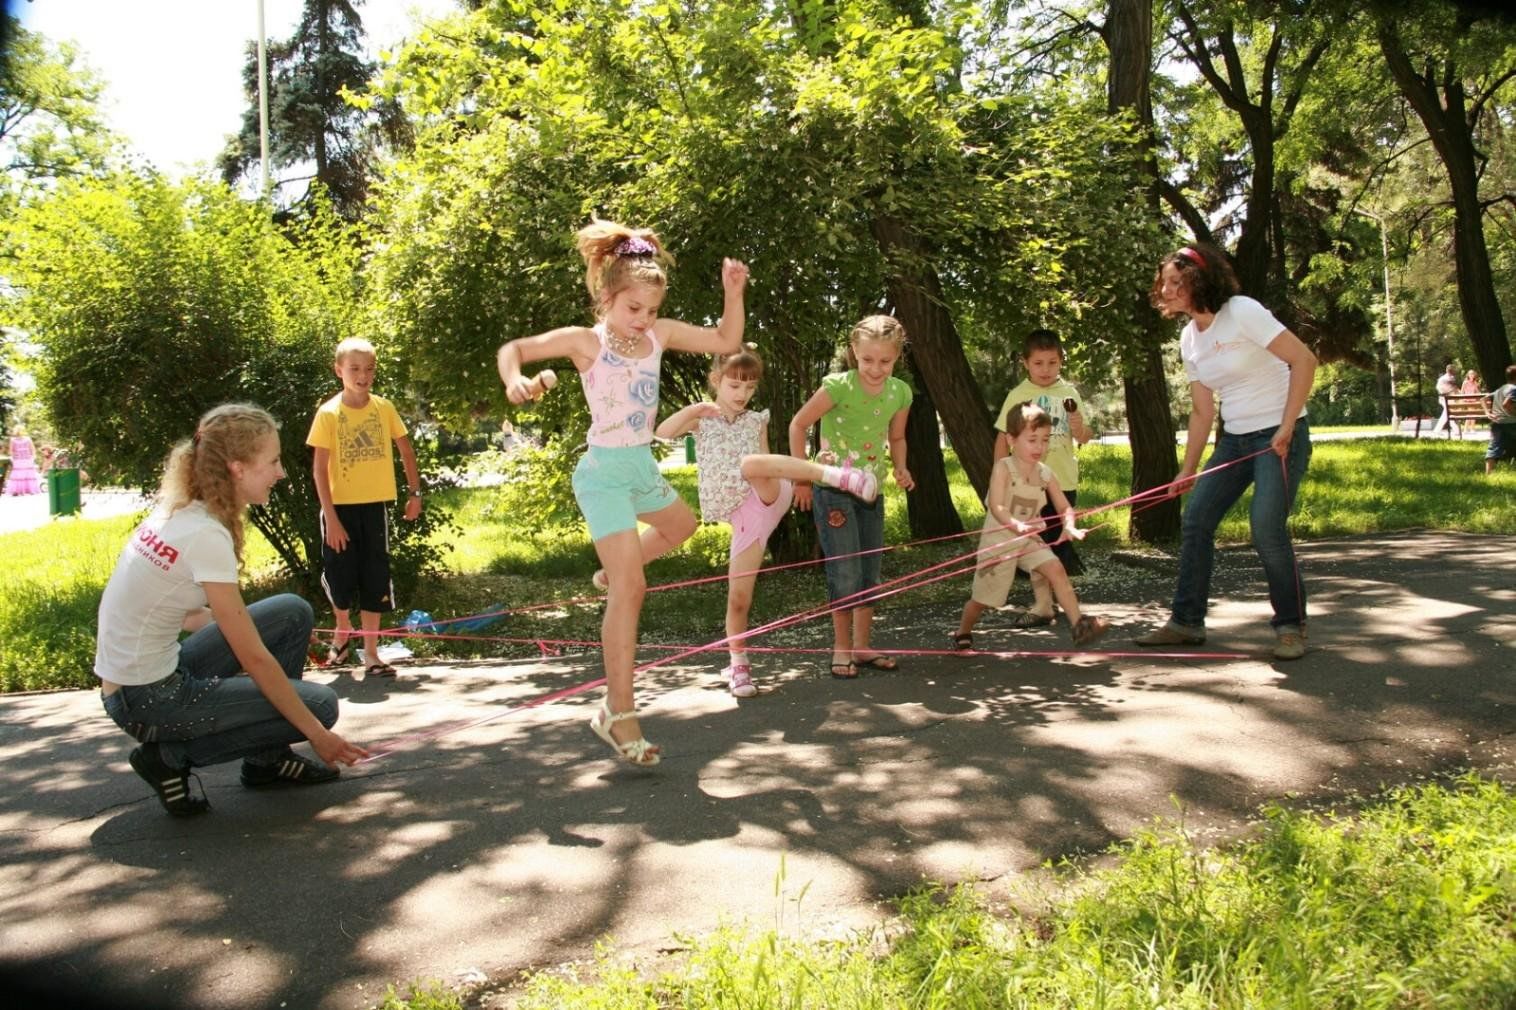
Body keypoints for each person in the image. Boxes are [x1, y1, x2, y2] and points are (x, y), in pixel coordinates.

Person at [496, 218, 750, 765]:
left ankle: (615, 569)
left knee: (682, 526)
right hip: (604, 473)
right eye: (634, 309)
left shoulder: (658, 336)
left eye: (652, 310)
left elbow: (727, 340)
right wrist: (514, 378)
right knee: (632, 591)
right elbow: (513, 348)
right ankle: (619, 711)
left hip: (639, 464)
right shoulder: (585, 343)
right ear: (607, 296)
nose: (644, 320)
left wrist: (734, 293)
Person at [96, 404, 369, 817]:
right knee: (320, 708)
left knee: (292, 613)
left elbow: (186, 616)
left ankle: (267, 761)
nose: (281, 473)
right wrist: (317, 735)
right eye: (273, 461)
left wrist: (254, 635)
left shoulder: (182, 510)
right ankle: (168, 758)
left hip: (135, 682)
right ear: (238, 468)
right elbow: (253, 657)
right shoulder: (205, 534)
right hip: (147, 698)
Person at [655, 346, 879, 698]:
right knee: (739, 598)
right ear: (716, 381)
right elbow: (663, 433)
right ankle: (738, 665)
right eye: (734, 387)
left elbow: (769, 462)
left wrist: (802, 480)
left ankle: (838, 477)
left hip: (770, 494)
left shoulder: (756, 419)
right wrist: (696, 408)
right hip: (747, 517)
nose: (742, 395)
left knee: (751, 464)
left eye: (749, 388)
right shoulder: (703, 419)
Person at [1136, 244, 1317, 661]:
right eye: (1163, 282)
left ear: (1199, 280)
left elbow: (1304, 360)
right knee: (1197, 519)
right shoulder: (1189, 338)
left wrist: (1288, 425)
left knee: (1265, 530)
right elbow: (1202, 412)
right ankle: (1185, 623)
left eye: (1174, 282)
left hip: (1279, 435)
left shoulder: (1242, 311)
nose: (1165, 289)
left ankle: (1291, 627)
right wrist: (1187, 470)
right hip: (1235, 440)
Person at [789, 315, 916, 679]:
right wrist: (802, 477)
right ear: (853, 354)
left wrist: (901, 467)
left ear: (896, 359)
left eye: (885, 361)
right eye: (867, 360)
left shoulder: (900, 393)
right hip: (833, 491)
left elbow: (898, 438)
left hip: (871, 493)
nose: (876, 369)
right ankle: (841, 648)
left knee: (869, 573)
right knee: (845, 571)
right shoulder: (838, 387)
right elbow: (798, 424)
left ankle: (861, 647)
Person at [306, 336, 423, 678]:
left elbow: (406, 451)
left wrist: (414, 494)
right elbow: (318, 469)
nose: (363, 375)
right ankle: (343, 628)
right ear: (339, 370)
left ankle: (371, 653)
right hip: (339, 509)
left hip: (374, 508)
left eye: (369, 368)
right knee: (341, 578)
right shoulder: (329, 414)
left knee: (375, 576)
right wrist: (331, 517)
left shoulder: (383, 408)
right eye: (355, 368)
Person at [953, 402, 1106, 650]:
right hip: (999, 541)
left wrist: (1069, 526)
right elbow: (997, 507)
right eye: (1032, 440)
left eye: (1045, 440)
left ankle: (1079, 625)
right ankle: (963, 632)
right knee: (984, 600)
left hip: (1029, 540)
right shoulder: (1003, 468)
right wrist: (1017, 525)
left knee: (1056, 568)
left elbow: (1064, 507)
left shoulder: (1046, 474)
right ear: (1012, 439)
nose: (1040, 447)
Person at [990, 329, 1094, 628]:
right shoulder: (1018, 395)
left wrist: (1078, 428)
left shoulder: (1069, 394)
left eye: (1052, 362)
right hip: (1027, 482)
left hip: (1063, 479)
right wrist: (1001, 475)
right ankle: (1044, 604)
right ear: (1026, 363)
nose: (1045, 370)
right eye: (1038, 363)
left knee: (1057, 541)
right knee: (1036, 541)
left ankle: (1052, 601)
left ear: (1062, 361)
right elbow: (1002, 437)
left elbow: (1085, 436)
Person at [1485, 364, 1516, 475]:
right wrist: (1513, 413)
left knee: (1494, 446)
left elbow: (1483, 398)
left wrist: (1487, 413)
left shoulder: (1502, 388)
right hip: (1510, 423)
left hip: (1497, 423)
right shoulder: (1514, 389)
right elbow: (1506, 404)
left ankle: (1488, 474)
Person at [3, 427, 42, 496]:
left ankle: (30, 490)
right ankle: (17, 490)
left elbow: (33, 449)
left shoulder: (28, 439)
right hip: (18, 460)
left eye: (20, 430)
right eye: (17, 430)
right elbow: (11, 451)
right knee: (18, 474)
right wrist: (13, 458)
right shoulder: (13, 440)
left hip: (27, 459)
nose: (18, 432)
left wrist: (33, 457)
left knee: (28, 474)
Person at [1433, 362, 1461, 437]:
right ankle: (1437, 431)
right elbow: (1451, 389)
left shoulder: (1447, 378)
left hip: (1448, 399)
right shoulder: (1446, 378)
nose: (1453, 371)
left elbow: (1439, 388)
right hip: (1445, 399)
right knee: (1447, 414)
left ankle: (1456, 431)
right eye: (1452, 370)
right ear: (1449, 370)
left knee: (1447, 414)